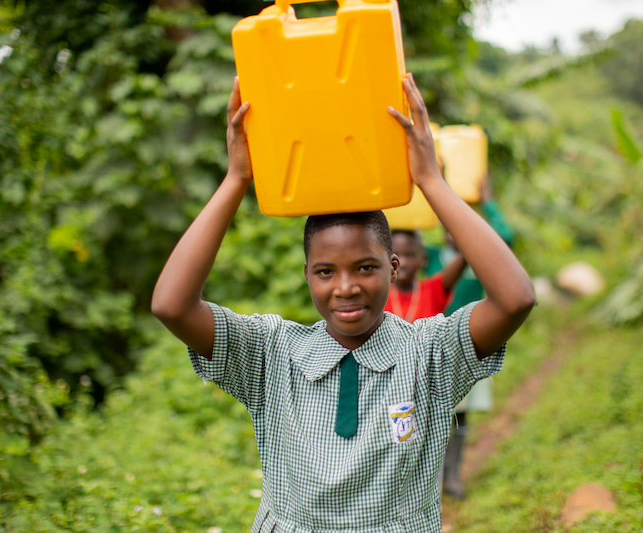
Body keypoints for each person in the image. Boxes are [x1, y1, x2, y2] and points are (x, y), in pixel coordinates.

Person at [151, 73, 535, 532]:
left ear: (394, 267)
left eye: (365, 268)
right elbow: (172, 306)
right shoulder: (272, 352)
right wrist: (236, 179)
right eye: (326, 272)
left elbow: (515, 300)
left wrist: (430, 180)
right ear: (308, 276)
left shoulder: (429, 352)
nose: (346, 287)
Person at [425, 177, 516, 500]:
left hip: (467, 348)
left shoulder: (480, 261)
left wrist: (486, 201)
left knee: (460, 415)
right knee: (430, 414)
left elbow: (504, 238)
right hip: (432, 348)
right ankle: (431, 481)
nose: (454, 233)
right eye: (449, 225)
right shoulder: (429, 256)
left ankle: (453, 476)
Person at [384, 230, 466, 322]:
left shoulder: (432, 290)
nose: (402, 263)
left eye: (409, 255)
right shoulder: (379, 292)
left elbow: (467, 252)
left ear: (423, 259)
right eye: (395, 255)